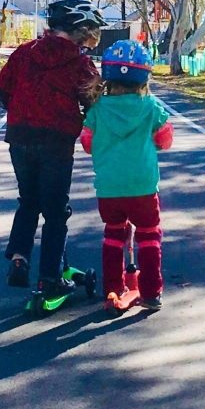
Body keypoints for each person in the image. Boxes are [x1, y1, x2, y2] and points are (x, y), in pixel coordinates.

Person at [0, 0, 104, 310]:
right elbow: (93, 102)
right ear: (79, 28)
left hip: (19, 137)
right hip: (56, 142)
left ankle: (18, 257)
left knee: (28, 202)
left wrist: (23, 108)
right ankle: (49, 280)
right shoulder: (81, 63)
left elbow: (0, 91)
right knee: (55, 212)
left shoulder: (24, 52)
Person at [79, 39, 175, 314]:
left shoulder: (97, 109)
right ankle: (151, 293)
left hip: (109, 187)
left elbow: (87, 143)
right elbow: (165, 139)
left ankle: (113, 287)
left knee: (113, 235)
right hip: (143, 186)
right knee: (148, 236)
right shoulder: (151, 106)